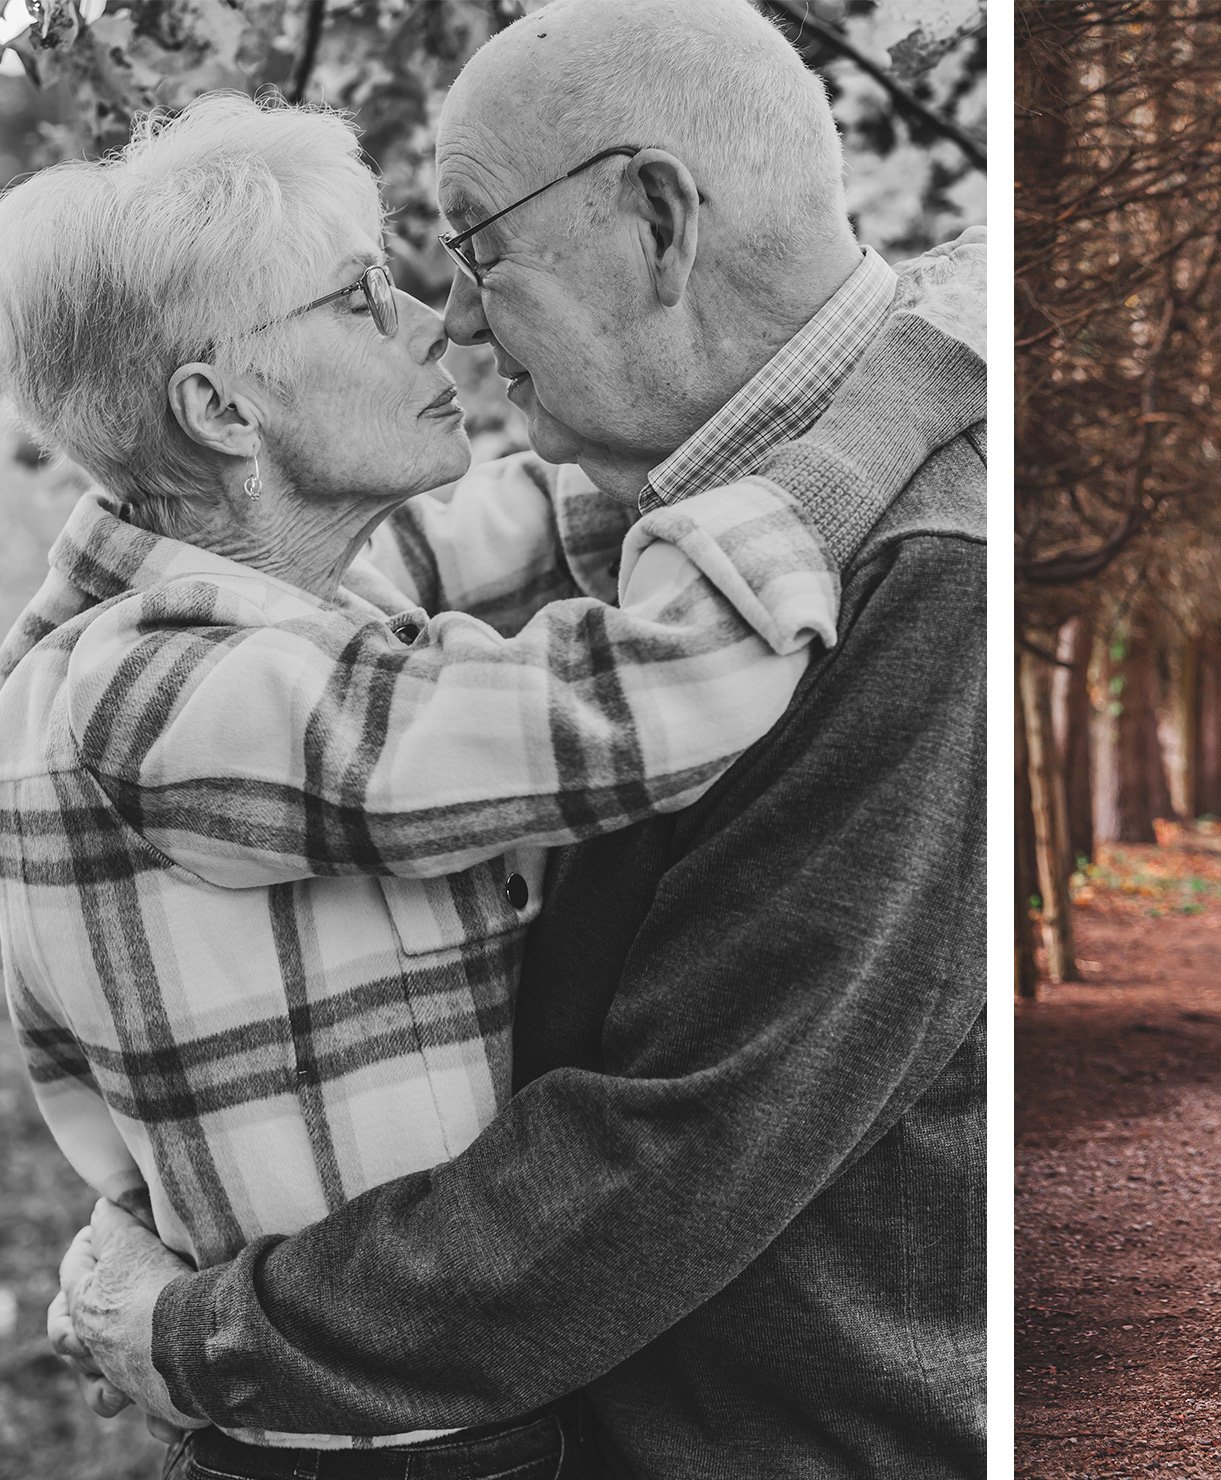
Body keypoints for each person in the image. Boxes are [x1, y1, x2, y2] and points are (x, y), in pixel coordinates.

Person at [57, 1, 989, 1475]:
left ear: (658, 224)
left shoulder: (922, 575)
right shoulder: (658, 531)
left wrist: (210, 1334)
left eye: (476, 242)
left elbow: (677, 1150)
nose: (460, 319)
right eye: (378, 292)